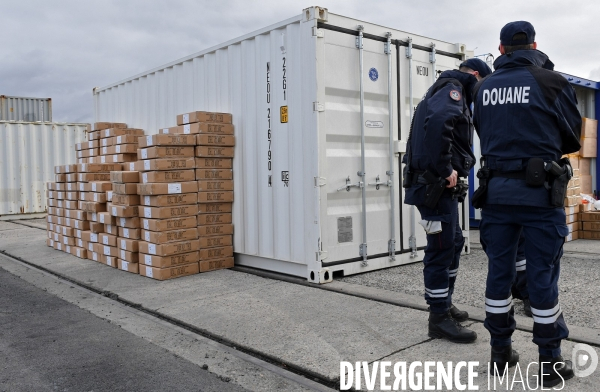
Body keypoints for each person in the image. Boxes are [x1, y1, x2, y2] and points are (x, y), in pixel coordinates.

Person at [472, 21, 581, 387]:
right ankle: (550, 363)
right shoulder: (551, 82)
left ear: (500, 50)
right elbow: (572, 136)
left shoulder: (483, 86)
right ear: (534, 45)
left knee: (498, 274)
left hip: (497, 195)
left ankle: (500, 354)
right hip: (540, 196)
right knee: (542, 276)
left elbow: (484, 132)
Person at [403, 58, 491, 343]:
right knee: (441, 248)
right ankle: (438, 318)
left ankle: (445, 303)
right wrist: (445, 168)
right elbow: (440, 123)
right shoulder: (452, 89)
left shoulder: (442, 89)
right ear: (477, 75)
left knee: (453, 243)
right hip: (435, 187)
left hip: (438, 188)